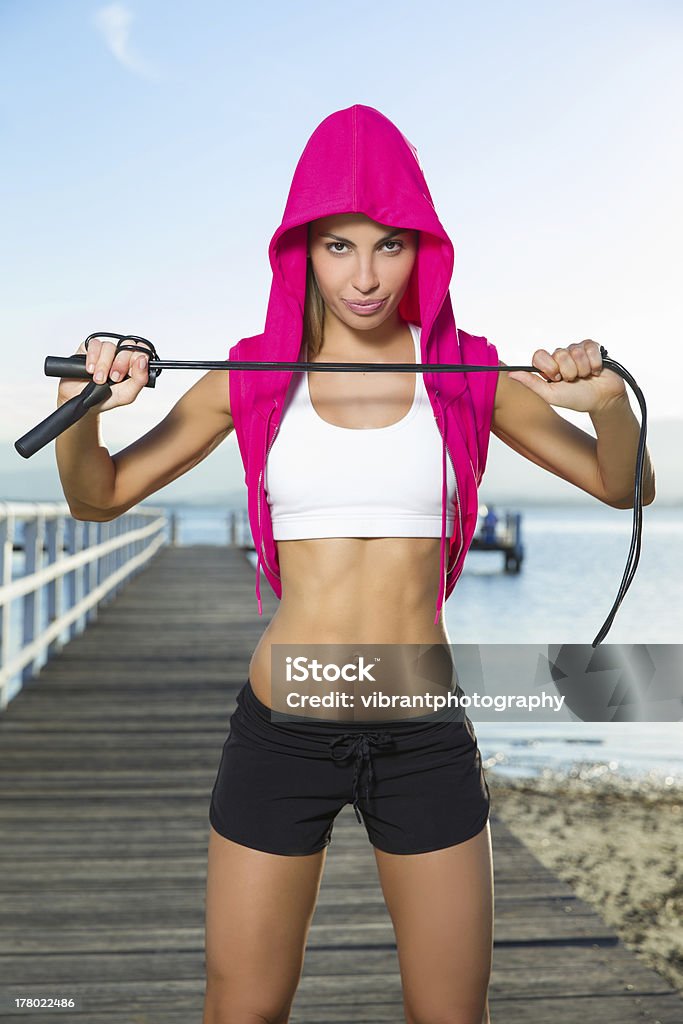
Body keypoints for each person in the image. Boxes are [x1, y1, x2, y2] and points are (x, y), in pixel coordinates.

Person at [55, 104, 655, 1024]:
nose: (365, 276)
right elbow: (98, 495)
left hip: (421, 733)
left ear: (425, 249)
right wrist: (85, 411)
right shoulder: (251, 375)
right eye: (338, 247)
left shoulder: (464, 372)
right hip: (281, 731)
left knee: (452, 1014)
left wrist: (607, 406)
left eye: (389, 245)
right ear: (302, 248)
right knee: (242, 1007)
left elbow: (625, 487)